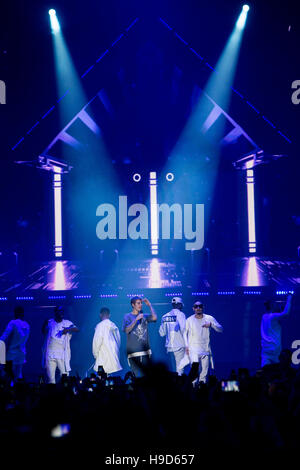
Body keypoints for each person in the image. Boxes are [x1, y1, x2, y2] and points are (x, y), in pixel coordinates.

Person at [185, 301, 223, 384]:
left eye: (200, 306)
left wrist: (211, 324)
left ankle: (202, 391)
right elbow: (184, 333)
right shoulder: (189, 320)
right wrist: (186, 346)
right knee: (194, 374)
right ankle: (193, 392)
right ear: (193, 308)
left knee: (204, 374)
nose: (198, 308)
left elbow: (220, 329)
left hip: (205, 350)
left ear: (203, 307)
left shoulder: (209, 318)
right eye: (196, 306)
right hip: (193, 351)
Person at [42, 306, 79, 384]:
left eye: (62, 311)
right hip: (50, 353)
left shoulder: (67, 323)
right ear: (55, 313)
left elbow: (77, 329)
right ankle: (52, 393)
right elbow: (43, 331)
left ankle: (65, 393)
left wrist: (68, 329)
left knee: (64, 376)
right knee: (51, 378)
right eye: (59, 311)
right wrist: (44, 324)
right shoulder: (50, 322)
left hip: (62, 354)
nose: (61, 313)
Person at [122, 297, 157, 377]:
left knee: (148, 376)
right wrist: (136, 320)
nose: (140, 305)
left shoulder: (144, 316)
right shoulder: (127, 316)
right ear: (133, 305)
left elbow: (154, 318)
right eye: (138, 303)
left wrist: (150, 305)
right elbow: (126, 330)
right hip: (133, 352)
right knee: (135, 377)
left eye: (141, 303)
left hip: (145, 351)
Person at [261, 294, 292, 367]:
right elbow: (286, 313)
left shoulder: (264, 316)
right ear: (271, 306)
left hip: (266, 350)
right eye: (275, 304)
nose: (276, 305)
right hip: (274, 349)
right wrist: (289, 298)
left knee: (265, 372)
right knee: (278, 372)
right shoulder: (273, 316)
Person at [159, 297, 188, 375]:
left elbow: (162, 333)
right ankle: (180, 385)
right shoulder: (181, 315)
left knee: (172, 369)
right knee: (180, 368)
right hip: (179, 345)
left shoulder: (165, 316)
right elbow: (184, 330)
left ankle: (174, 386)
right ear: (179, 305)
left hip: (169, 347)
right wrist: (188, 345)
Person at [0, 305, 30, 380]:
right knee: (19, 372)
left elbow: (5, 334)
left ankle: (9, 387)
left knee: (6, 370)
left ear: (16, 313)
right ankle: (18, 388)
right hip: (22, 352)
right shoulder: (27, 325)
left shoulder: (13, 322)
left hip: (12, 352)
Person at [92, 307, 122, 375]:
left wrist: (95, 354)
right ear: (109, 315)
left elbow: (96, 342)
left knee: (102, 378)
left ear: (100, 315)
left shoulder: (100, 326)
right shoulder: (114, 325)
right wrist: (116, 351)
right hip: (114, 357)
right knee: (112, 378)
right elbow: (118, 340)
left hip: (103, 356)